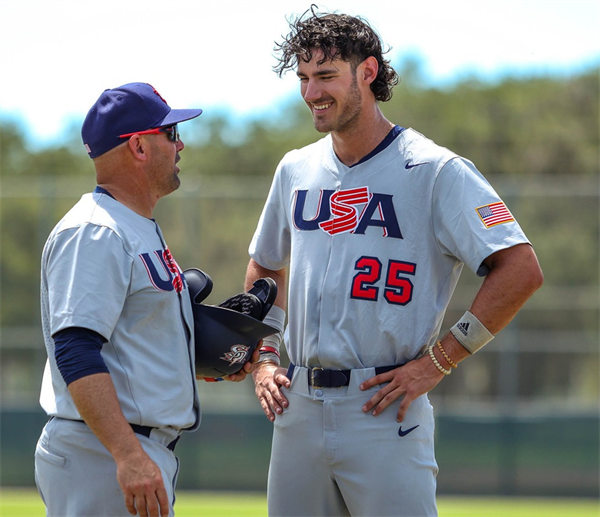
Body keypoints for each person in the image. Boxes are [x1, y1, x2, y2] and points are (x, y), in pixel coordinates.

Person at [245, 8, 544, 517]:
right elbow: (266, 267)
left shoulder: (435, 169)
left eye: (325, 76)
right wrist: (264, 357)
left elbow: (520, 269)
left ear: (368, 71)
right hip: (297, 406)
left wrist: (440, 361)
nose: (311, 92)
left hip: (383, 407)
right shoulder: (295, 168)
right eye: (303, 78)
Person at [34, 82, 254, 517]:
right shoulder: (95, 231)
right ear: (138, 146)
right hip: (104, 453)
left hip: (124, 448)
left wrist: (204, 356)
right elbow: (75, 350)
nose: (181, 144)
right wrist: (128, 455)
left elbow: (130, 342)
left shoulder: (131, 225)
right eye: (170, 134)